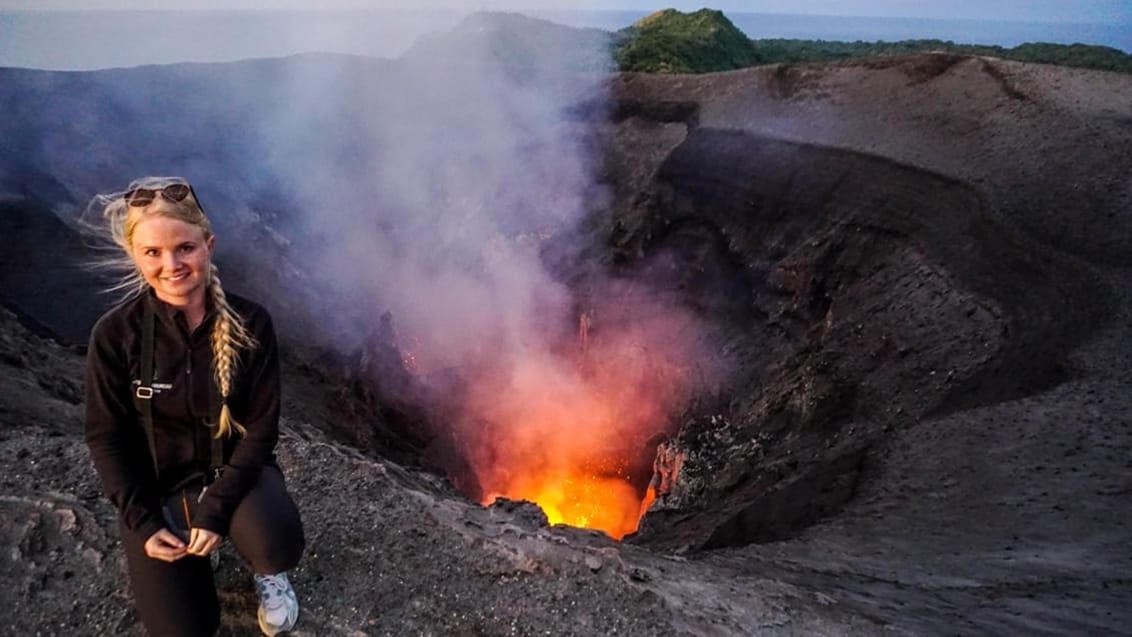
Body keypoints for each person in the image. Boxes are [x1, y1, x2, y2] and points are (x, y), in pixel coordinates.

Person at [83, 176, 305, 636]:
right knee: (182, 629)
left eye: (185, 248)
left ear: (209, 244)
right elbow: (107, 437)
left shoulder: (250, 324)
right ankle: (194, 548)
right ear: (135, 256)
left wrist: (217, 511)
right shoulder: (115, 335)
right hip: (158, 490)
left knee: (275, 542)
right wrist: (143, 523)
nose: (171, 264)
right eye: (154, 253)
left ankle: (264, 569)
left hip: (234, 479)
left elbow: (261, 432)